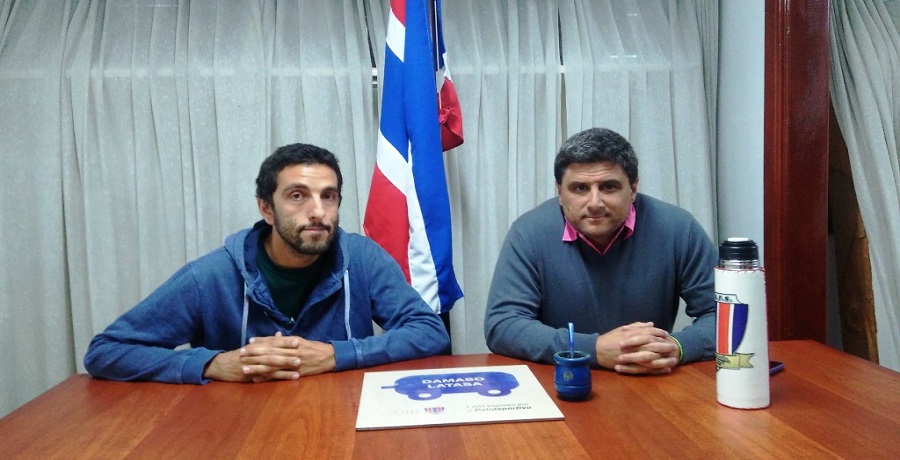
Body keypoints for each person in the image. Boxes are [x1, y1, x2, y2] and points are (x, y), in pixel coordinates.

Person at [85, 143, 450, 383]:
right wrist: (212, 364)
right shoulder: (213, 275)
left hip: (341, 419)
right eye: (297, 196)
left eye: (329, 196)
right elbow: (107, 352)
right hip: (238, 429)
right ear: (266, 208)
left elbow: (429, 332)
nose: (318, 212)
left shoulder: (362, 259)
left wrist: (336, 355)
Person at [484, 127, 716, 375]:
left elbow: (726, 315)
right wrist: (591, 349)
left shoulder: (678, 229)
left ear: (633, 188)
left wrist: (677, 347)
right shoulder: (528, 232)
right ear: (560, 192)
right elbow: (503, 325)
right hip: (562, 378)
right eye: (580, 188)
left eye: (608, 187)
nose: (594, 203)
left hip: (650, 377)